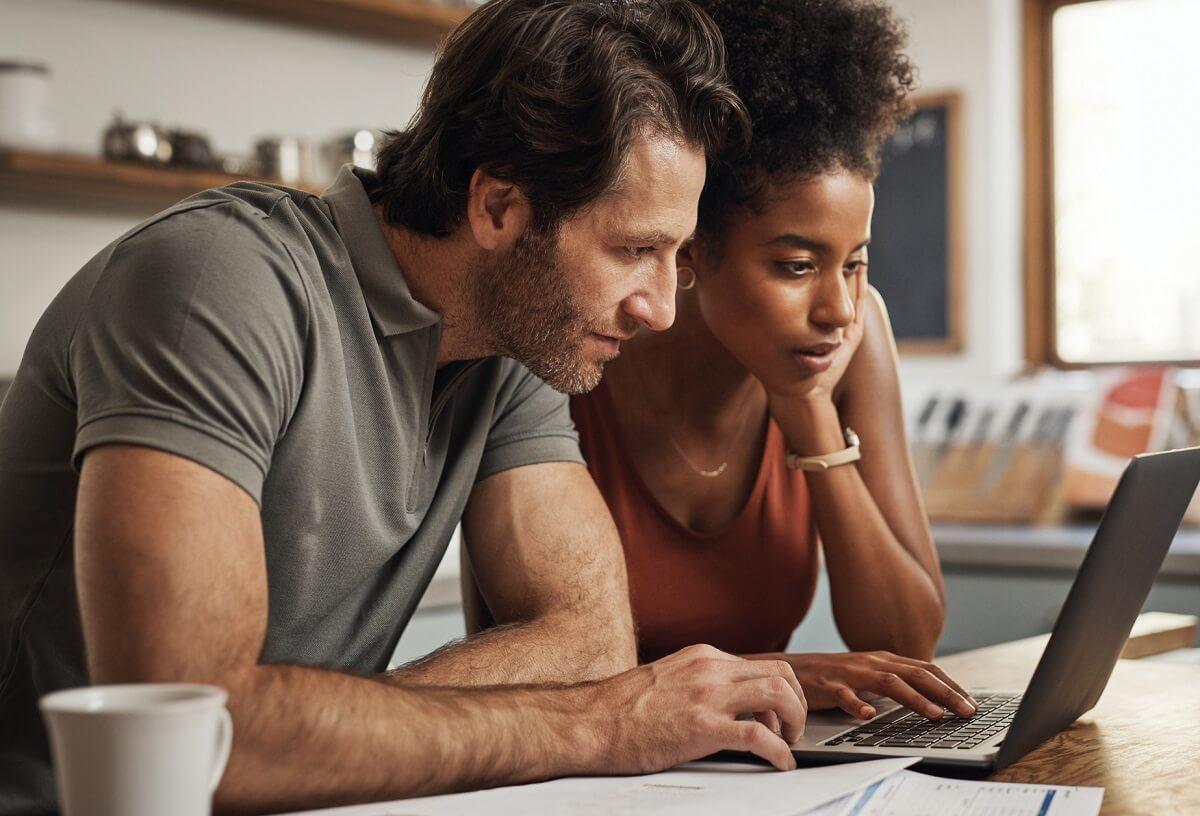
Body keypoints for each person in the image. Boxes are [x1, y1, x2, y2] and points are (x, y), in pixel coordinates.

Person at [0, 2, 811, 814]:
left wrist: (314, 732)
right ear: (497, 208)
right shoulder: (218, 281)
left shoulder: (516, 342)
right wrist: (598, 727)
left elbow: (592, 645)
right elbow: (192, 736)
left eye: (677, 257)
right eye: (635, 250)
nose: (663, 310)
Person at [564, 0, 978, 723]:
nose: (840, 309)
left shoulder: (851, 339)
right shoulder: (576, 356)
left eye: (855, 263)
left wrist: (811, 417)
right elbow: (533, 669)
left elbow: (908, 639)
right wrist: (780, 671)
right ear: (691, 249)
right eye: (795, 266)